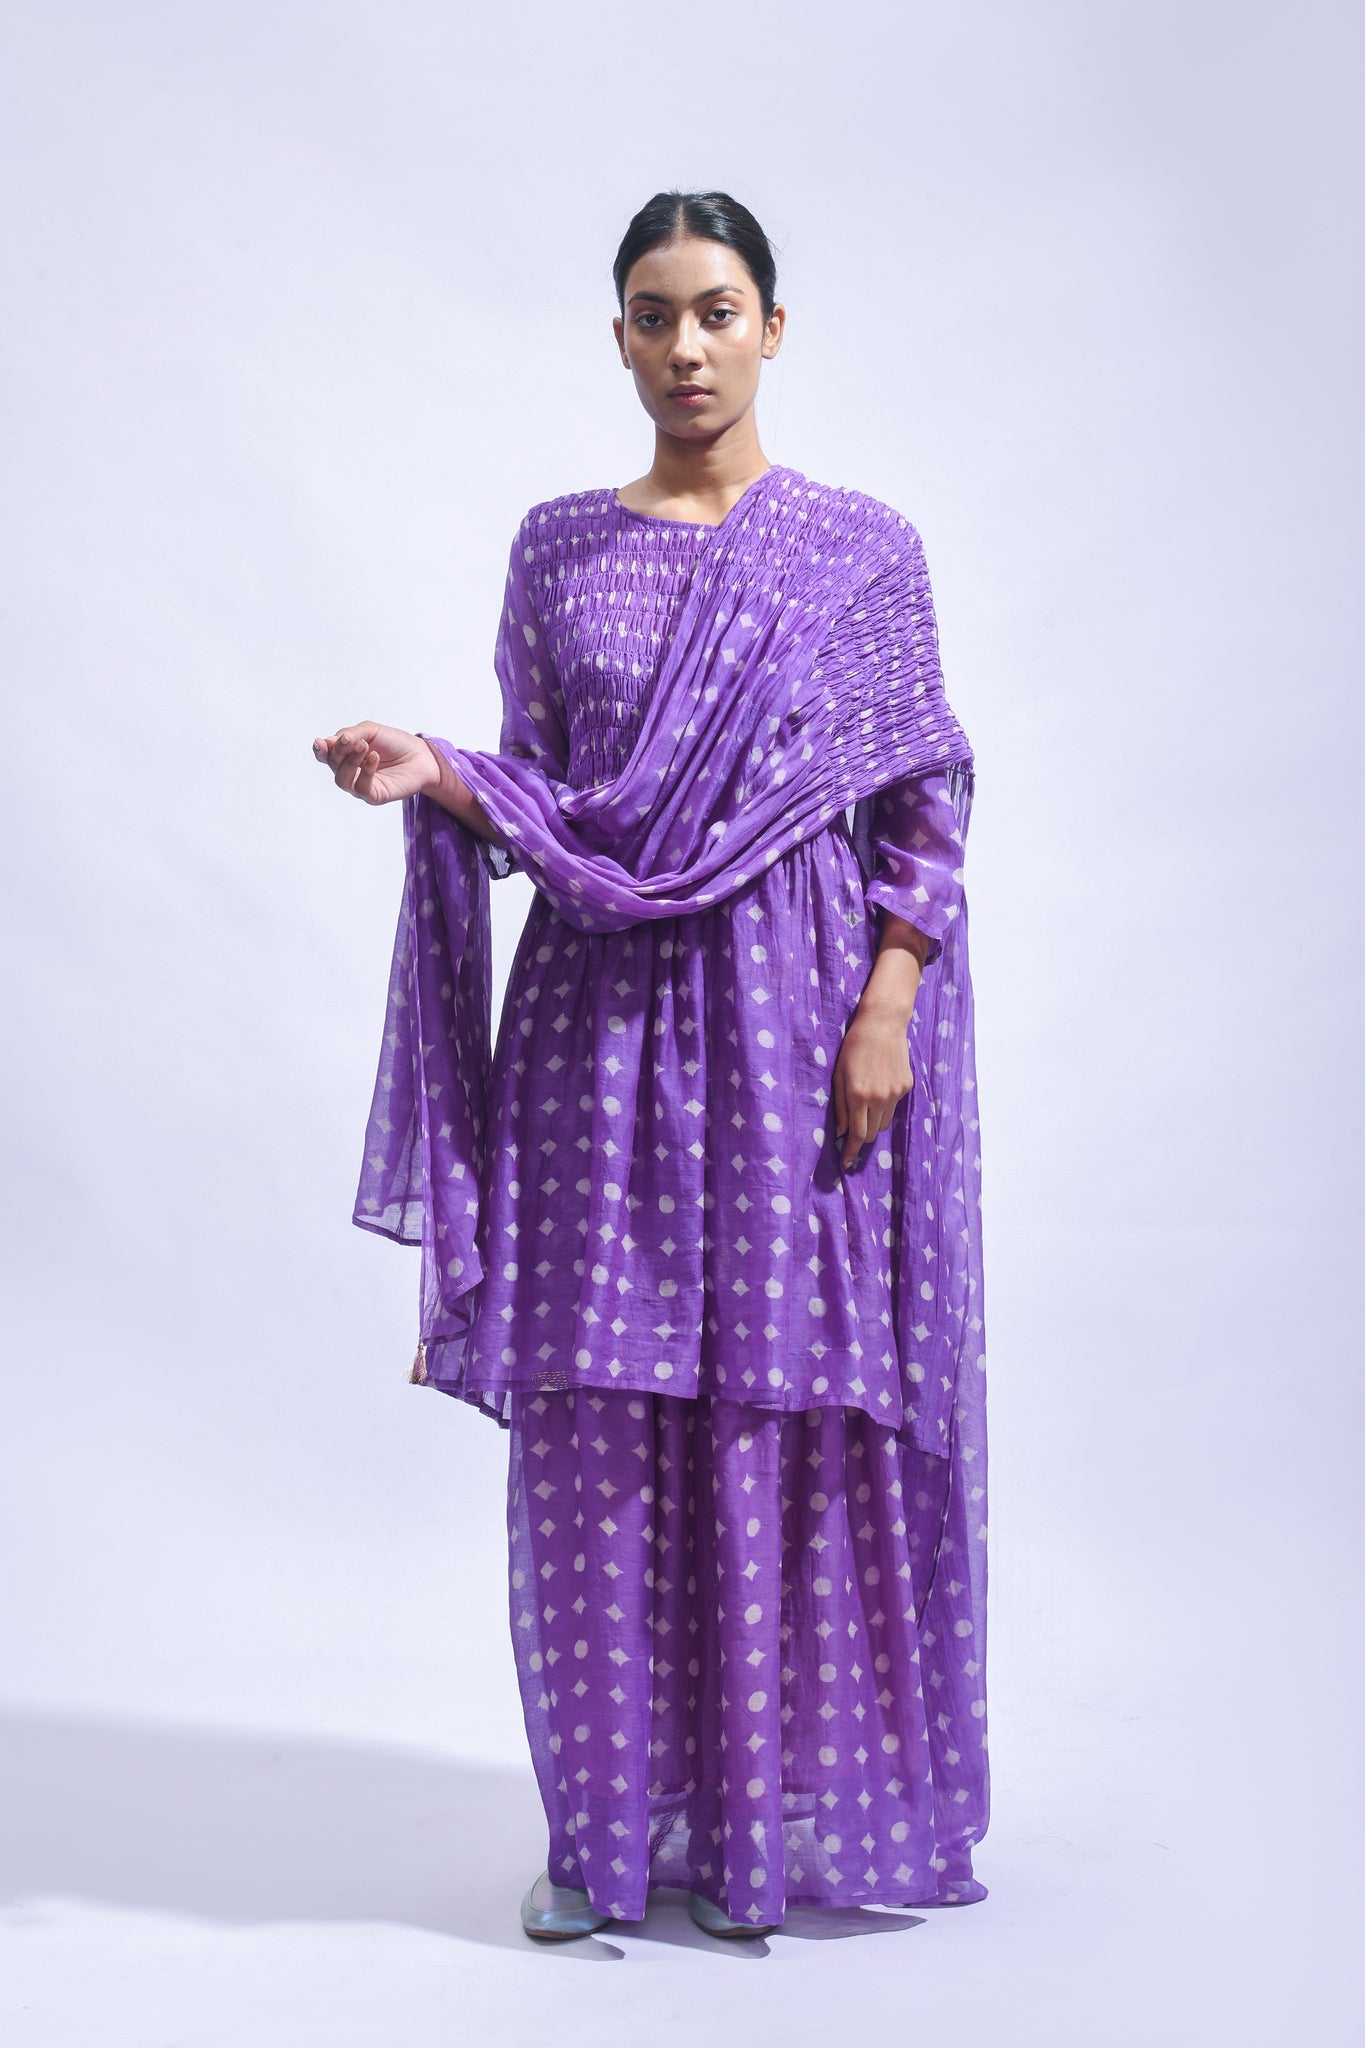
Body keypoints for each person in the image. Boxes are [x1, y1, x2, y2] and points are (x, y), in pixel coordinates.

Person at [313, 189, 989, 1943]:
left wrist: (889, 1002)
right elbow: (556, 796)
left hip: (792, 1028)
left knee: (773, 1411)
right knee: (598, 1425)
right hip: (595, 1039)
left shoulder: (858, 553)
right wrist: (439, 771)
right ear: (615, 336)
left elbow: (923, 804)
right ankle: (598, 1843)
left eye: (715, 310)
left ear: (772, 327)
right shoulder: (557, 547)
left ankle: (754, 1844)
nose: (684, 347)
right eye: (650, 315)